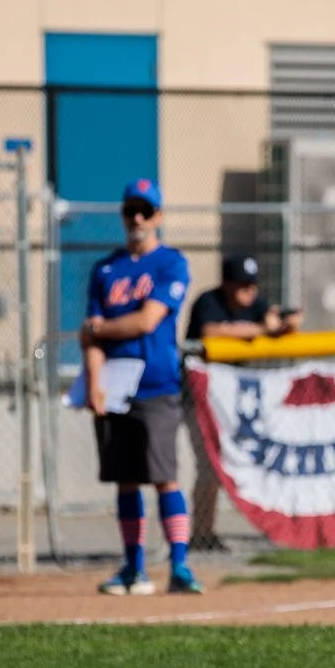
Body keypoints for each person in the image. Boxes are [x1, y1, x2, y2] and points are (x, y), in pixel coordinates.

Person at [80, 177, 203, 595]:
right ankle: (134, 567)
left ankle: (180, 565)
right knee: (125, 478)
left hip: (156, 384)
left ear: (158, 216)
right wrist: (93, 381)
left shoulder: (170, 263)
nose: (137, 218)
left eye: (145, 211)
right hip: (114, 387)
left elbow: (148, 320)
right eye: (131, 210)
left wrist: (101, 328)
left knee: (164, 476)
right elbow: (90, 338)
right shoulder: (106, 269)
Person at [181, 255, 303, 551]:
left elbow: (275, 324)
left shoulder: (255, 304)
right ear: (227, 284)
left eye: (252, 285)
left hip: (233, 400)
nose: (250, 292)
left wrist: (284, 324)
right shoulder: (209, 301)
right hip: (197, 398)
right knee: (209, 465)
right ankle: (202, 534)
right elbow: (211, 331)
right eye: (242, 285)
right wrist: (262, 330)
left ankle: (277, 528)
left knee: (253, 461)